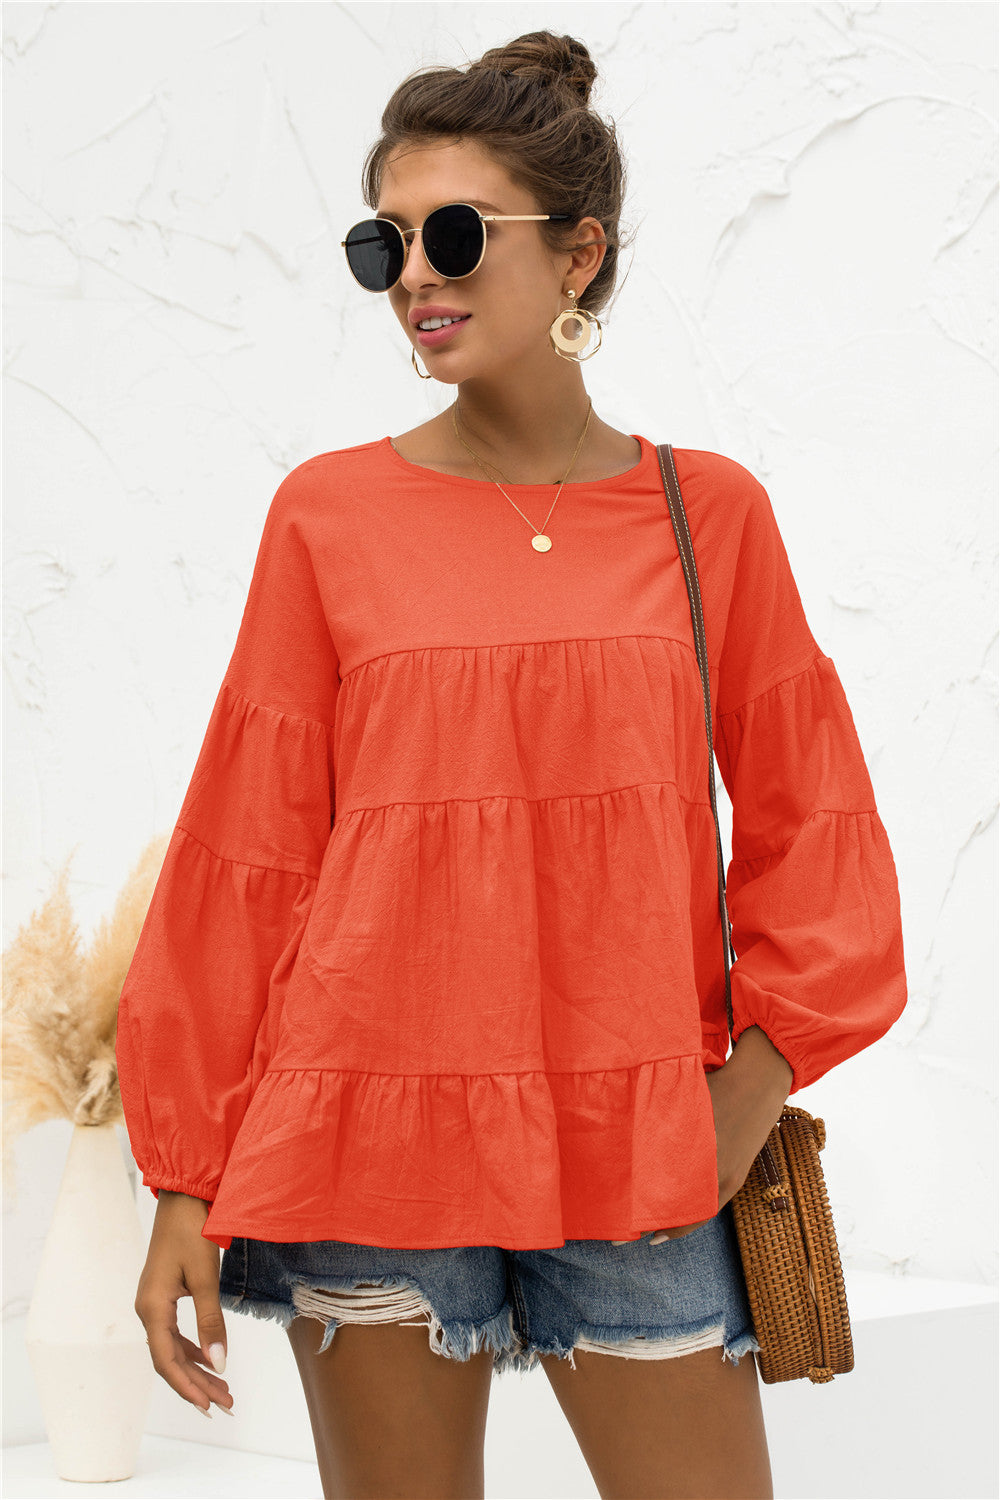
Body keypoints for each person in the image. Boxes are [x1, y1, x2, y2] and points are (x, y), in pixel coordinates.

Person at [116, 29, 908, 1500]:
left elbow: (817, 823)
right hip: (366, 1140)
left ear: (579, 253)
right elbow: (248, 850)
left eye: (459, 235)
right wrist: (180, 1175)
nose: (416, 276)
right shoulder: (327, 518)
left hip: (644, 1144)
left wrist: (748, 1090)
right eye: (385, 244)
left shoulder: (708, 515)